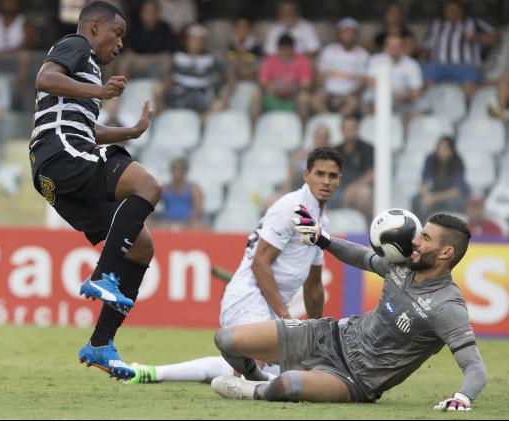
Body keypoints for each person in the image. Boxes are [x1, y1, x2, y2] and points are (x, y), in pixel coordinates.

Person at [211, 212, 488, 412]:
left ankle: (253, 391)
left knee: (287, 386)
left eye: (425, 238)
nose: (415, 241)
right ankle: (258, 380)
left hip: (354, 379)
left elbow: (475, 368)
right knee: (226, 340)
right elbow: (361, 256)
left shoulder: (447, 306)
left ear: (445, 252)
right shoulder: (400, 266)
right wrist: (322, 239)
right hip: (328, 334)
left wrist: (462, 398)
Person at [127, 147, 343, 384]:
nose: (326, 181)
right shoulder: (294, 208)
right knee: (257, 378)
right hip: (250, 296)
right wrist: (285, 317)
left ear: (339, 179)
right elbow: (260, 263)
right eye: (320, 174)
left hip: (270, 306)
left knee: (270, 374)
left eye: (332, 176)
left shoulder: (319, 220)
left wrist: (316, 331)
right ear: (306, 175)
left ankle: (153, 373)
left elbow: (313, 286)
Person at [29, 1, 162, 381]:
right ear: (95, 25)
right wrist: (101, 90)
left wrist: (130, 132)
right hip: (62, 154)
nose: (118, 44)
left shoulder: (86, 77)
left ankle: (101, 344)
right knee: (148, 185)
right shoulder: (77, 46)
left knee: (142, 246)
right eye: (116, 34)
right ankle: (103, 275)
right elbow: (44, 78)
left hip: (57, 172)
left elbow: (86, 128)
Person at [421, 0, 499, 101]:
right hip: (438, 66)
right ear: (444, 11)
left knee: (470, 81)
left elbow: (496, 38)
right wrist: (421, 58)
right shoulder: (436, 24)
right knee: (427, 73)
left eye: (456, 9)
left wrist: (476, 37)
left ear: (461, 11)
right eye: (449, 9)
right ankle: (435, 107)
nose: (452, 12)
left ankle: (462, 110)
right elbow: (426, 47)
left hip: (465, 66)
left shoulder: (473, 22)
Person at [154, 24, 231, 124]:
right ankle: (162, 122)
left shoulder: (212, 59)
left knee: (219, 104)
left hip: (202, 96)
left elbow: (229, 75)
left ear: (203, 43)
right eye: (192, 40)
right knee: (157, 89)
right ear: (187, 41)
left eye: (199, 41)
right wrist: (166, 83)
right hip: (179, 95)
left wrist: (226, 93)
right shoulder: (176, 57)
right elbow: (167, 77)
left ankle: (200, 127)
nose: (195, 44)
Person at [311, 18, 369, 118]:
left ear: (356, 35)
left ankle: (338, 121)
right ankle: (328, 120)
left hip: (349, 95)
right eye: (345, 32)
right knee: (315, 99)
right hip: (328, 92)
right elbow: (321, 75)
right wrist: (321, 90)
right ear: (339, 34)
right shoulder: (329, 51)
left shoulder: (363, 54)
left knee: (354, 102)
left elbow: (362, 81)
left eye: (351, 33)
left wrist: (348, 95)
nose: (348, 36)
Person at [255, 34, 313, 123]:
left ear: (293, 49)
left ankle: (303, 130)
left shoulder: (302, 60)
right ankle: (254, 130)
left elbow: (306, 83)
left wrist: (291, 88)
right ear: (278, 48)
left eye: (288, 50)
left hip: (293, 96)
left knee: (304, 98)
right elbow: (263, 82)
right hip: (273, 94)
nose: (285, 53)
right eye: (283, 50)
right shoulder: (270, 60)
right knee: (255, 96)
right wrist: (276, 88)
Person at [364, 34, 423, 119]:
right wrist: (390, 92)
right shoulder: (376, 59)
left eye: (397, 45)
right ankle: (369, 125)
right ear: (385, 47)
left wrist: (405, 96)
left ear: (403, 48)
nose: (393, 48)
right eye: (390, 45)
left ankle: (407, 129)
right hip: (379, 95)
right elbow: (369, 82)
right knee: (368, 96)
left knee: (422, 104)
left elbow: (417, 91)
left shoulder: (411, 64)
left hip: (403, 98)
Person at [412, 136, 470, 222]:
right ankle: (421, 227)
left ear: (451, 150)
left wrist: (433, 198)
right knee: (416, 200)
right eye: (440, 147)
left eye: (445, 148)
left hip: (448, 196)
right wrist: (426, 196)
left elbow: (457, 190)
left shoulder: (457, 161)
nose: (442, 151)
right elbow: (423, 182)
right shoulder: (431, 159)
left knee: (456, 203)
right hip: (434, 193)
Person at [118, 0, 177, 80]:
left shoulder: (165, 28)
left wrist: (147, 60)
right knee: (124, 62)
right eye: (147, 10)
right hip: (137, 61)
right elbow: (128, 51)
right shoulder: (134, 27)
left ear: (158, 13)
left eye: (153, 11)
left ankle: (162, 91)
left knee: (167, 61)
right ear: (141, 13)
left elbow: (167, 54)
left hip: (157, 62)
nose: (150, 13)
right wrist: (139, 60)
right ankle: (123, 90)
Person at [331, 116, 374, 221]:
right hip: (339, 190)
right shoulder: (335, 151)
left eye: (353, 128)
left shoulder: (368, 148)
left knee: (364, 194)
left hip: (361, 188)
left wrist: (353, 188)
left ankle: (365, 228)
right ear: (342, 130)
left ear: (358, 129)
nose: (350, 132)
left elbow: (372, 173)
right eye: (347, 129)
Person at [0, 0, 36, 109]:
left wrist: (6, 53)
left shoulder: (25, 21)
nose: (9, 4)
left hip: (16, 62)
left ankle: (19, 94)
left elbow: (28, 44)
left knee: (25, 56)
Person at [152, 158, 204, 229]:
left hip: (188, 222)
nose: (176, 172)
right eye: (173, 169)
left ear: (185, 171)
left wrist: (187, 221)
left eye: (179, 169)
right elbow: (151, 204)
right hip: (167, 222)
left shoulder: (194, 188)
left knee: (197, 227)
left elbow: (198, 209)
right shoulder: (165, 188)